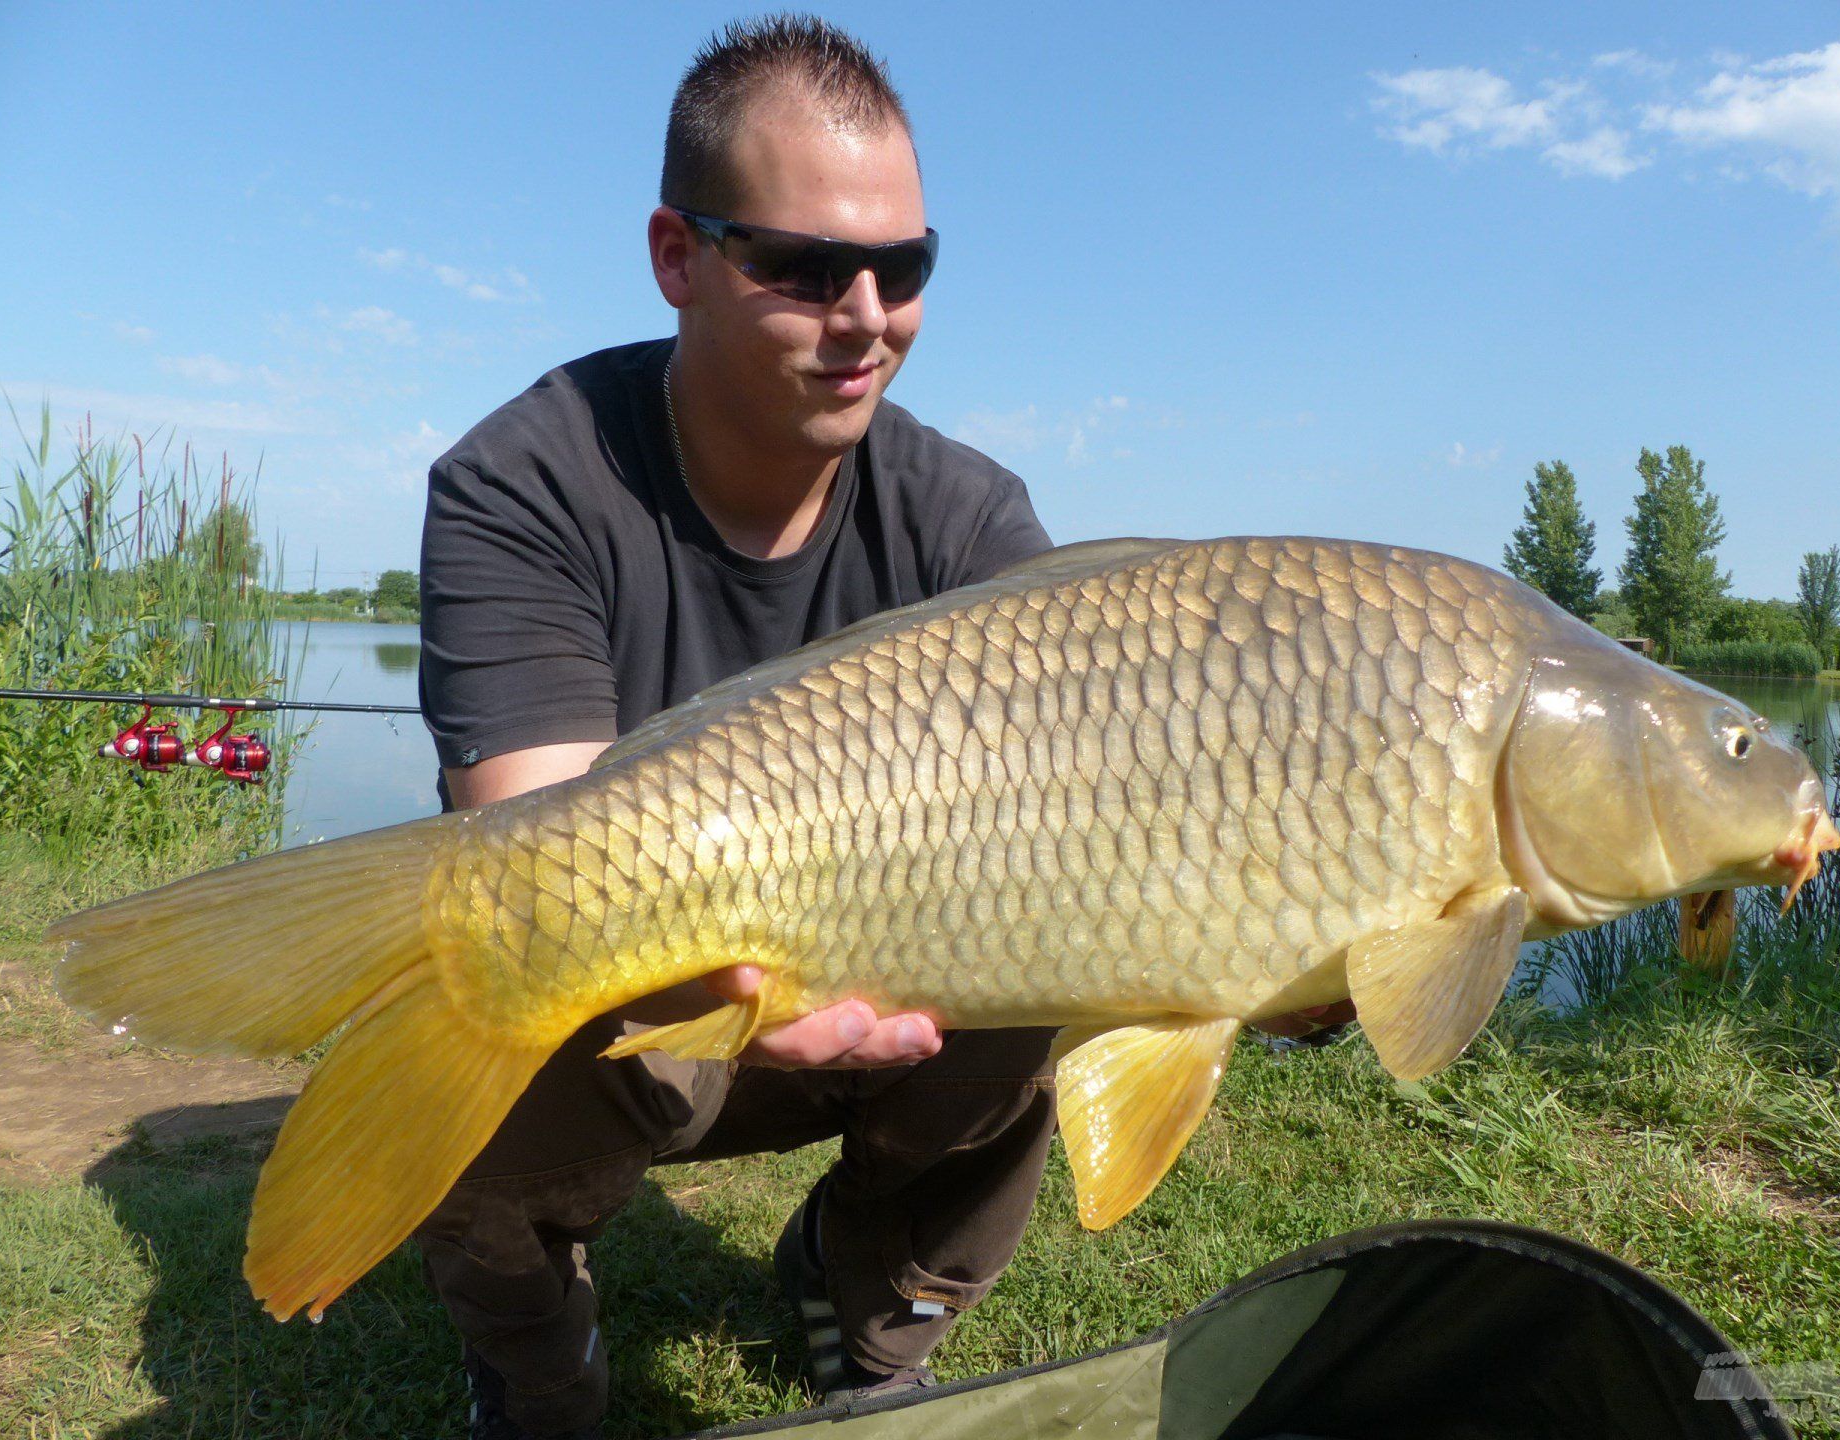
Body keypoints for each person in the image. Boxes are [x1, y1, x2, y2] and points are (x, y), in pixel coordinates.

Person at [416, 17, 1349, 1440]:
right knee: (503, 964)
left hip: (890, 997)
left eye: (902, 267)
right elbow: (534, 830)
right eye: (802, 266)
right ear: (677, 257)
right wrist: (739, 989)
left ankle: (874, 1302)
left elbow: (1118, 832)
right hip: (651, 1002)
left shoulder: (968, 517)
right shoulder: (524, 479)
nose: (866, 314)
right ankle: (536, 1354)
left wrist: (1312, 947)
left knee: (1045, 971)